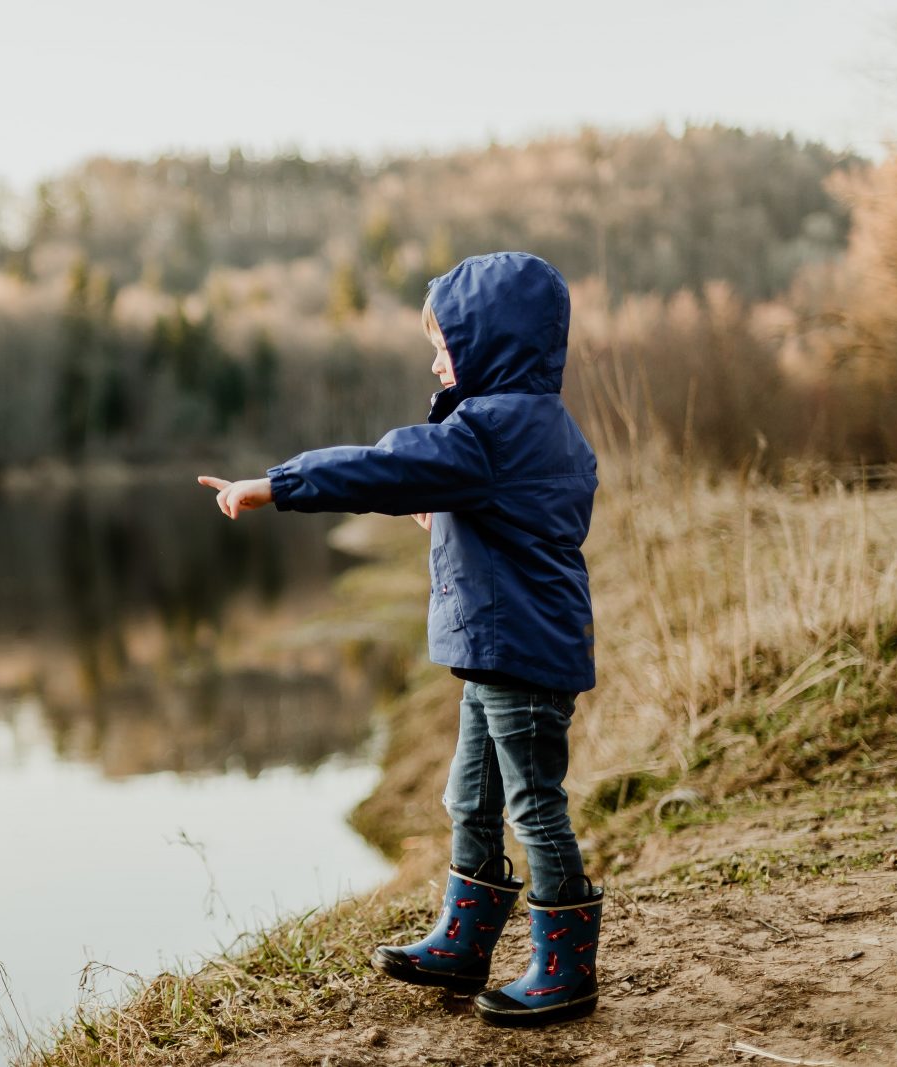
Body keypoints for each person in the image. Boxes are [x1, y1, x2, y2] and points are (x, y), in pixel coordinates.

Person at [196, 251, 602, 1027]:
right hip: (508, 650)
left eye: (445, 345)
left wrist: (274, 486)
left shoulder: (485, 428)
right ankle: (464, 935)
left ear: (491, 345)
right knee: (469, 796)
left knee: (533, 804)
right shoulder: (541, 426)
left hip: (518, 652)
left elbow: (383, 468)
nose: (434, 358)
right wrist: (449, 511)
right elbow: (520, 511)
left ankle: (565, 964)